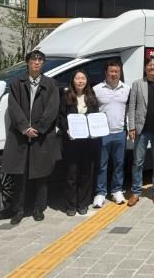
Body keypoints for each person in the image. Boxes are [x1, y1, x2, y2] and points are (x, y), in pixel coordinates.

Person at [2, 50, 60, 225]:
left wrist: (39, 128)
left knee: (41, 175)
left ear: (43, 63)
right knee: (19, 175)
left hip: (42, 137)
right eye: (34, 60)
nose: (37, 62)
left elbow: (52, 109)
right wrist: (24, 128)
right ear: (27, 63)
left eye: (40, 60)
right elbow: (13, 107)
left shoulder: (51, 84)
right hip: (20, 136)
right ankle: (18, 210)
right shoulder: (17, 83)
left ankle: (38, 209)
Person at [126, 56, 154, 207]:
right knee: (138, 162)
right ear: (145, 68)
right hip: (141, 129)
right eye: (149, 65)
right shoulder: (137, 84)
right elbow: (132, 107)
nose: (152, 67)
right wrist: (131, 127)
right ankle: (136, 192)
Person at [59, 70, 99, 216]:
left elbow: (96, 116)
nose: (80, 81)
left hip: (88, 142)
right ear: (73, 81)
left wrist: (96, 130)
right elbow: (61, 117)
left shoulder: (91, 97)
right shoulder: (66, 97)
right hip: (71, 142)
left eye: (83, 78)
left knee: (86, 173)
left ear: (87, 81)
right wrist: (67, 130)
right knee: (71, 174)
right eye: (78, 78)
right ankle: (70, 205)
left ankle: (83, 203)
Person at [93, 59, 131, 207]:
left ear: (120, 73)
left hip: (120, 132)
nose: (114, 74)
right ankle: (100, 193)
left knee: (119, 164)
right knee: (101, 165)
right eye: (111, 71)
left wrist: (130, 128)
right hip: (103, 133)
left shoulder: (126, 89)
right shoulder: (97, 89)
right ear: (106, 73)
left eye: (117, 71)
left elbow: (130, 110)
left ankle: (117, 190)